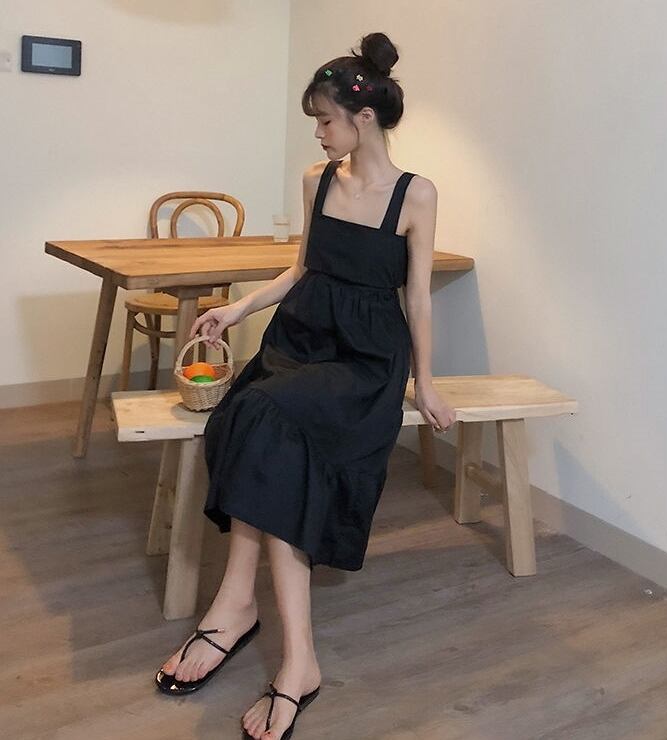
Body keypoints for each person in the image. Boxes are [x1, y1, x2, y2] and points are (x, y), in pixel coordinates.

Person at [154, 31, 456, 740]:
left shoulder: (415, 195)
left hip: (364, 361)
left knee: (263, 417)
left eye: (325, 120)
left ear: (364, 118)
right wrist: (238, 309)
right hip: (300, 340)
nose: (318, 133)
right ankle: (270, 634)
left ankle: (260, 628)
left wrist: (426, 382)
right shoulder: (317, 181)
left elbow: (418, 298)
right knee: (251, 415)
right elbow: (301, 270)